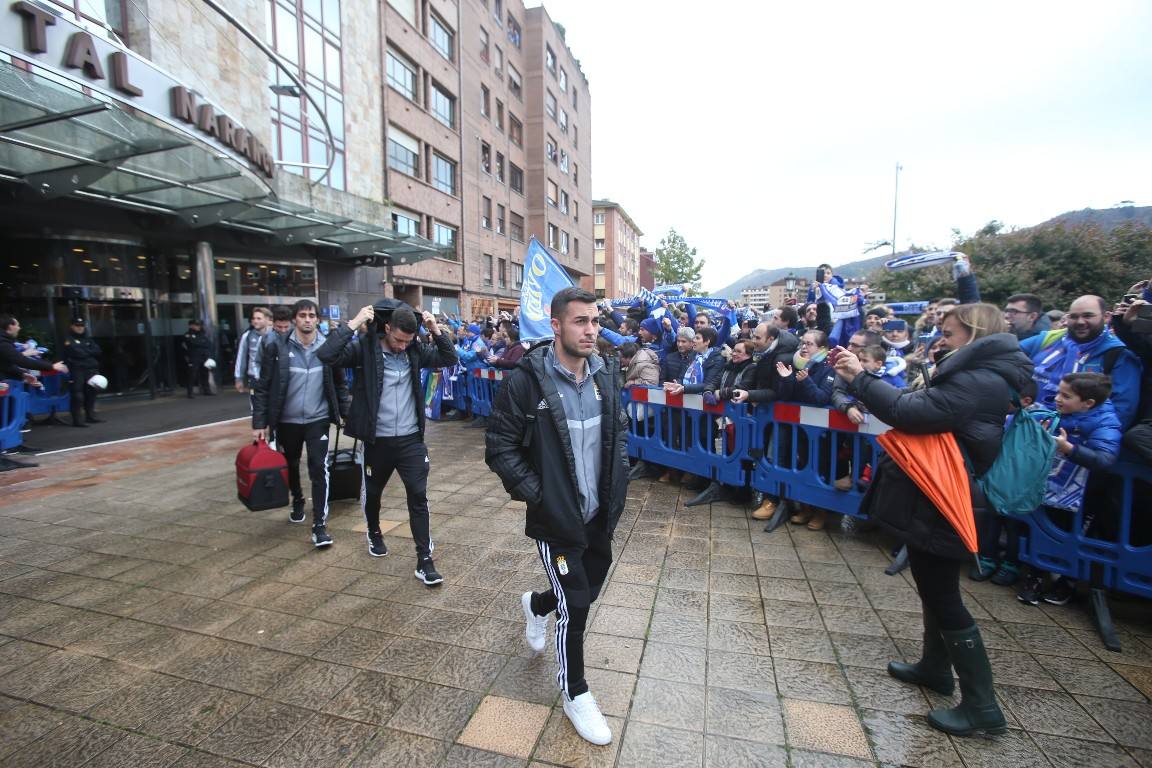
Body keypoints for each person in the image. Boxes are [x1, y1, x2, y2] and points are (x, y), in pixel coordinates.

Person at [833, 302, 1032, 737]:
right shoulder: (979, 374)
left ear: (975, 334)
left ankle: (983, 707)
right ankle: (934, 668)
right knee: (930, 583)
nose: (943, 338)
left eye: (951, 332)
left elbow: (907, 411)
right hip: (941, 491)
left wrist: (859, 378)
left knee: (943, 595)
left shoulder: (977, 380)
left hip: (951, 495)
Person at [485, 286, 629, 746]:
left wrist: (618, 484)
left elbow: (616, 437)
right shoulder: (526, 381)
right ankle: (575, 691)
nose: (591, 331)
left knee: (580, 592)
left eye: (595, 321)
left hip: (598, 515)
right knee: (578, 606)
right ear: (556, 326)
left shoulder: (607, 375)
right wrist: (539, 497)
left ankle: (536, 605)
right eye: (580, 322)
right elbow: (500, 448)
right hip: (555, 520)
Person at [317, 299, 457, 585]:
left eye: (409, 340)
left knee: (418, 496)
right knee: (375, 492)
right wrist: (354, 323)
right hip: (377, 441)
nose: (402, 345)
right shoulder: (365, 349)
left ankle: (424, 560)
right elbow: (327, 355)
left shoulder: (415, 351)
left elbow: (449, 359)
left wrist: (435, 330)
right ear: (387, 327)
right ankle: (375, 531)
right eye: (398, 339)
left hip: (410, 441)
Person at [1017, 372, 1122, 606]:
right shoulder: (1058, 412)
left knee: (1076, 537)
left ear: (1088, 403)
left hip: (1086, 493)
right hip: (1051, 485)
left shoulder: (1106, 421)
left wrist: (1069, 448)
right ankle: (1034, 577)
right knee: (1045, 529)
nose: (1057, 398)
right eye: (1058, 392)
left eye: (1066, 395)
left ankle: (1067, 582)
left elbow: (1105, 459)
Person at [252, 300, 350, 547]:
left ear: (318, 319)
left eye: (312, 315)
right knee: (291, 463)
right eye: (303, 315)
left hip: (317, 420)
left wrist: (345, 413)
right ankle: (297, 499)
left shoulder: (328, 349)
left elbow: (340, 384)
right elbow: (263, 386)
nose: (307, 319)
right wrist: (260, 422)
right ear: (295, 319)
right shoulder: (277, 348)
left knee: (319, 467)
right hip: (287, 421)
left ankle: (320, 525)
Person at [1020, 295, 1143, 429]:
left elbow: (1123, 410)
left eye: (1088, 316)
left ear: (1106, 317)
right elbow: (1006, 352)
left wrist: (1073, 442)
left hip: (1070, 439)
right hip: (1022, 426)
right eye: (1073, 316)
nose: (1080, 322)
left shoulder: (1118, 354)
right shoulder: (1049, 338)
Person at [60, 317, 104, 427]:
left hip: (90, 369)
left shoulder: (88, 339)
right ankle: (77, 420)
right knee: (78, 395)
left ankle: (90, 416)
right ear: (72, 326)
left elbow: (98, 351)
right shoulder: (68, 339)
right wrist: (88, 350)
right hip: (77, 370)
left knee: (91, 392)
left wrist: (84, 349)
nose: (80, 328)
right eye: (77, 325)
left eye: (81, 325)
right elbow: (77, 353)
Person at [234, 307, 271, 394]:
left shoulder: (273, 335)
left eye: (259, 318)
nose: (255, 321)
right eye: (254, 318)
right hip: (254, 377)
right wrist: (238, 378)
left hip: (271, 377)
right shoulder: (247, 336)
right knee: (255, 405)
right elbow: (241, 357)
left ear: (267, 319)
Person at [182, 319, 214, 398]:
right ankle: (190, 392)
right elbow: (193, 343)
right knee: (192, 374)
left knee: (205, 373)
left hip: (204, 356)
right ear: (191, 326)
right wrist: (201, 343)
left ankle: (207, 390)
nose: (198, 327)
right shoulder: (187, 335)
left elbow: (208, 344)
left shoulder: (202, 334)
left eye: (199, 325)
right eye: (196, 325)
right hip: (194, 356)